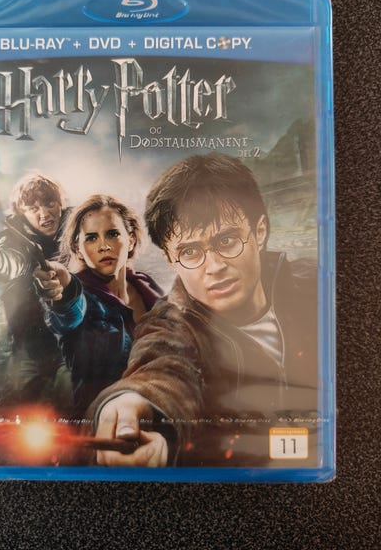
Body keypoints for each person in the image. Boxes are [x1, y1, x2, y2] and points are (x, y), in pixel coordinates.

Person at [90, 154, 318, 468]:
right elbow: (161, 367)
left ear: (260, 231)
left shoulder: (316, 285)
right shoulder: (170, 326)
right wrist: (133, 403)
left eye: (227, 240)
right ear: (171, 260)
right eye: (190, 251)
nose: (214, 267)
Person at [34, 194, 163, 418]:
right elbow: (69, 312)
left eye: (112, 234)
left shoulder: (146, 285)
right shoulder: (83, 297)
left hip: (161, 414)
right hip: (102, 423)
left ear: (131, 240)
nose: (103, 246)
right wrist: (64, 284)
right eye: (91, 238)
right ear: (78, 248)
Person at [0, 173, 73, 415]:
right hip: (30, 343)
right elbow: (11, 259)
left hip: (76, 339)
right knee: (22, 394)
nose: (44, 213)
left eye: (49, 203)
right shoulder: (14, 237)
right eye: (33, 208)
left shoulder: (79, 227)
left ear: (60, 203)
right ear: (21, 212)